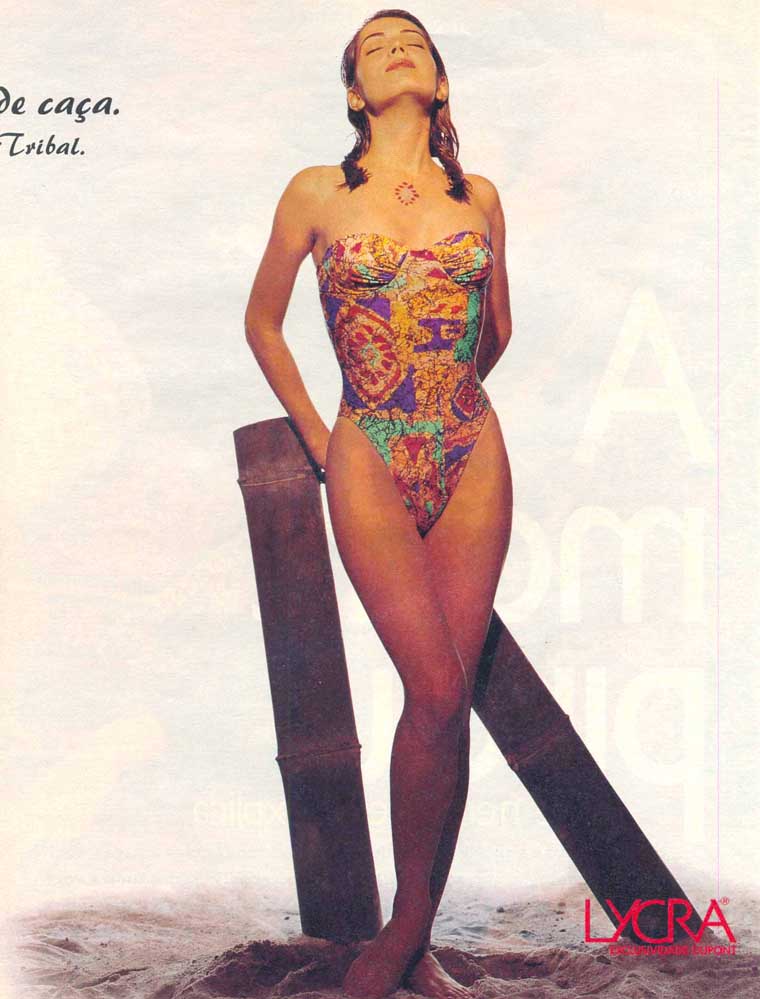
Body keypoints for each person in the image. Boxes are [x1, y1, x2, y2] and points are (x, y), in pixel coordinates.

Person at [244, 9, 513, 997]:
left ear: (437, 83)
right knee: (435, 687)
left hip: (472, 450)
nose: (396, 47)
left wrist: (446, 393)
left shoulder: (479, 197)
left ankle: (412, 935)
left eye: (414, 42)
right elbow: (262, 321)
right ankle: (405, 933)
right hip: (367, 445)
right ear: (356, 92)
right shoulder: (317, 191)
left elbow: (498, 329)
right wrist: (327, 437)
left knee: (446, 703)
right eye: (374, 46)